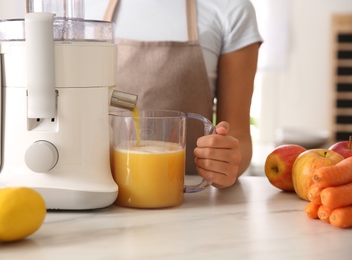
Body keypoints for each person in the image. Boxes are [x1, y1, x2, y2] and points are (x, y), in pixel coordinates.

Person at [94, 0, 262, 189]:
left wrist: (226, 160)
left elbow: (239, 136)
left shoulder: (231, 8)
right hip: (99, 192)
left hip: (188, 201)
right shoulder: (76, 6)